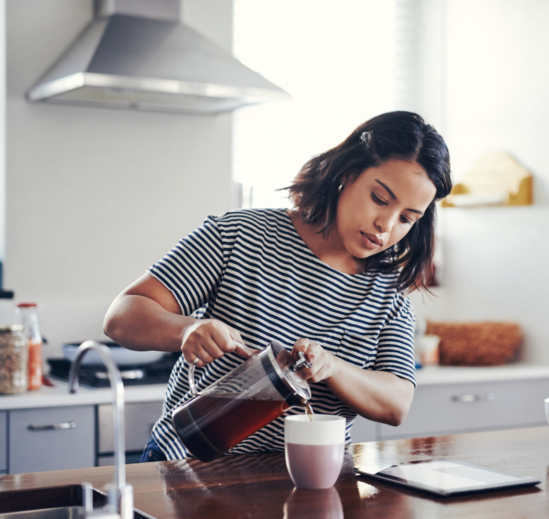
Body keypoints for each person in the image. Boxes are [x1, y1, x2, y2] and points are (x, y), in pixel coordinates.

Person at [103, 111, 452, 461]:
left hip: (307, 481)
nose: (385, 226)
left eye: (407, 218)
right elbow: (122, 316)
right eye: (379, 198)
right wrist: (186, 329)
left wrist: (332, 367)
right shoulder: (241, 235)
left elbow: (396, 404)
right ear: (348, 174)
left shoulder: (388, 293)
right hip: (187, 467)